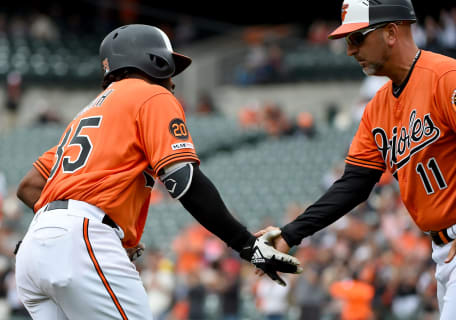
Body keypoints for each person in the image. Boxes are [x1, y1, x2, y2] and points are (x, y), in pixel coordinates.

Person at [14, 24, 301, 320]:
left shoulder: (86, 114)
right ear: (152, 60)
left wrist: (54, 231)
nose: (172, 82)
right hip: (82, 238)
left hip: (34, 249)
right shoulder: (151, 95)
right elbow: (183, 181)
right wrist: (247, 246)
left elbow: (29, 186)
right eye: (169, 69)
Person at [257, 1, 456, 319]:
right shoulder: (378, 107)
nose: (350, 50)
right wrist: (290, 233)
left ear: (391, 33)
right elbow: (354, 185)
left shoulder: (445, 76)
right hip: (447, 251)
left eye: (357, 38)